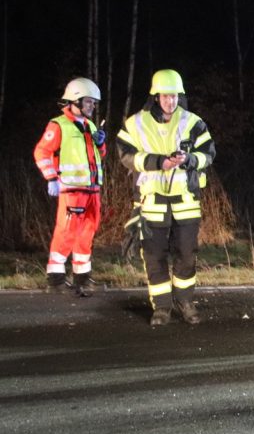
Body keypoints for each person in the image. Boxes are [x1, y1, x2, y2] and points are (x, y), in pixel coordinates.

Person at [116, 69, 216, 326]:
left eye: (174, 96)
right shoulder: (136, 123)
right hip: (152, 201)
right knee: (154, 255)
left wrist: (190, 159)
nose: (170, 101)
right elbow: (126, 155)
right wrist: (159, 162)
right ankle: (161, 308)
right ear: (155, 96)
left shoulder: (194, 122)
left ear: (179, 96)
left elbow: (209, 154)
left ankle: (185, 302)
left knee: (186, 254)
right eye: (165, 96)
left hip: (185, 201)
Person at [33, 77, 106, 296]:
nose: (92, 106)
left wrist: (101, 143)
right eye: (89, 102)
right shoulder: (58, 125)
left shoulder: (90, 125)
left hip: (92, 189)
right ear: (75, 101)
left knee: (87, 232)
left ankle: (82, 278)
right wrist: (51, 177)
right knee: (67, 232)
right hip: (72, 189)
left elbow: (99, 156)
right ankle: (55, 279)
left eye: (93, 102)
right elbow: (41, 152)